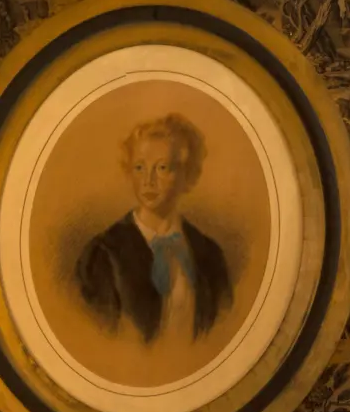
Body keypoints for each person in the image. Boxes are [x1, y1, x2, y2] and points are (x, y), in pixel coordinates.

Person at [75, 114, 233, 346]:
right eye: (139, 167)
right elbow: (98, 344)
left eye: (162, 167)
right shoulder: (103, 255)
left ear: (187, 175)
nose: (148, 180)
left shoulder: (209, 254)